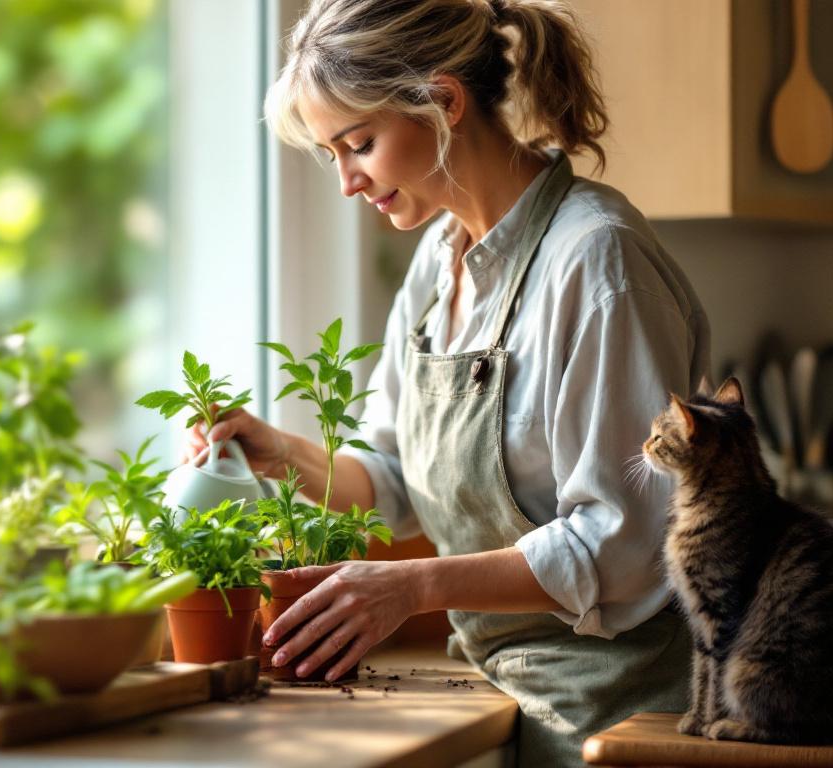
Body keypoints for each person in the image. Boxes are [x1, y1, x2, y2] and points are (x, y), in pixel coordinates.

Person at [183, 0, 710, 764]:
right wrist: (282, 457)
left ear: (444, 103)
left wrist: (413, 588)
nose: (346, 183)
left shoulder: (598, 263)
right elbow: (397, 480)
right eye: (331, 155)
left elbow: (623, 543)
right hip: (500, 683)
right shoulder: (440, 259)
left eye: (357, 144)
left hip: (623, 713)